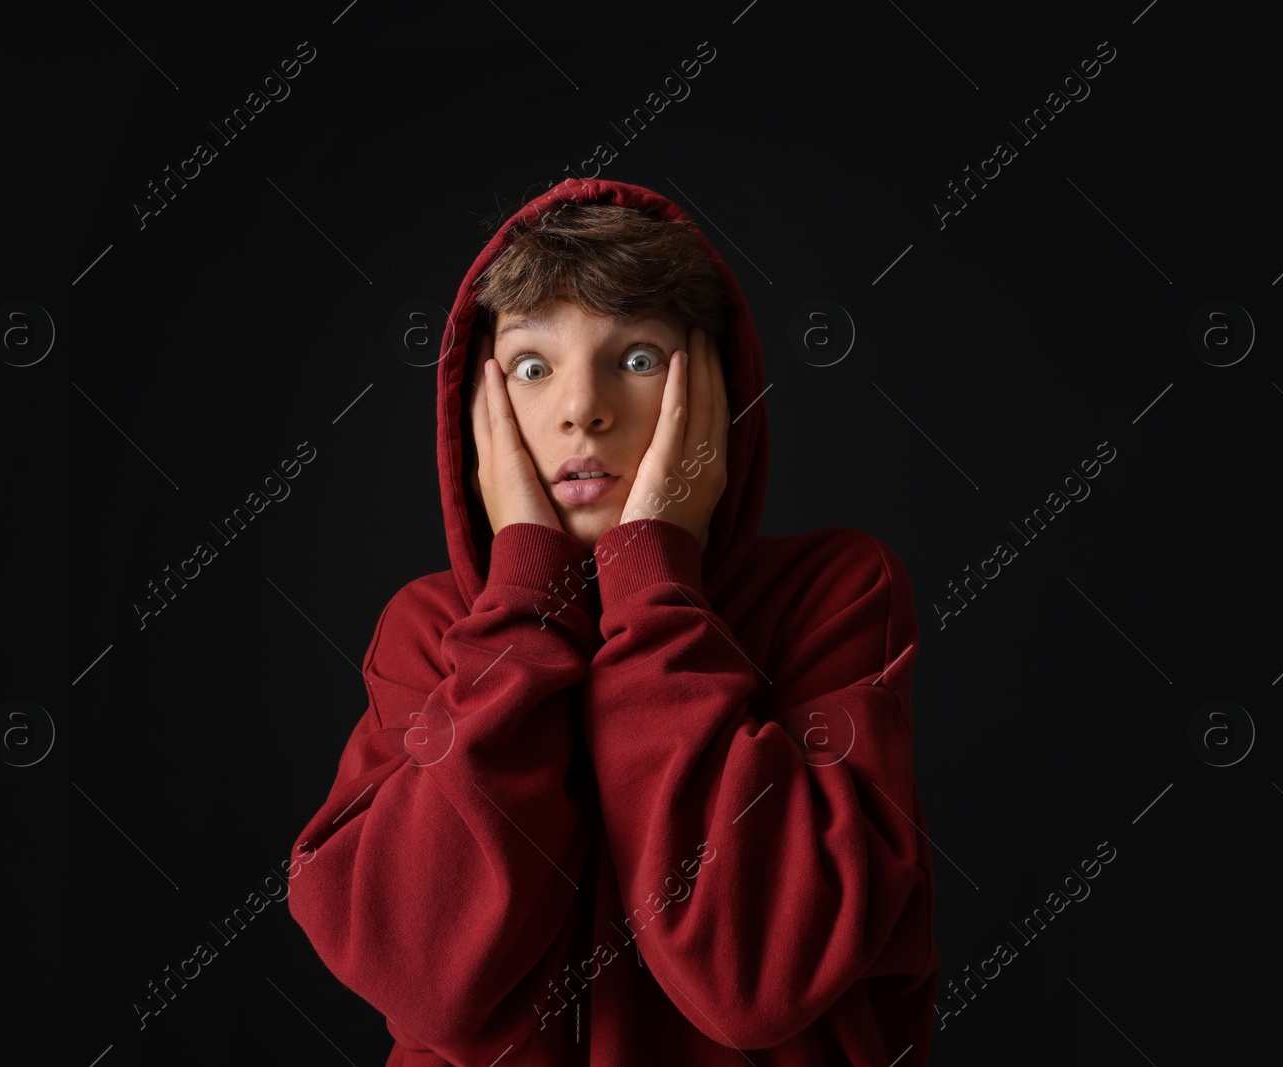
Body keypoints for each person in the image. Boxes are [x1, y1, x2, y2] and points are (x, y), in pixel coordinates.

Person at [287, 178, 939, 1065]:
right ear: (480, 407)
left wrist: (653, 580)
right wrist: (524, 604)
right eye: (531, 365)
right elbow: (431, 980)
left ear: (712, 386)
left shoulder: (836, 592)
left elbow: (757, 980)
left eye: (636, 358)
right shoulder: (429, 629)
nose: (579, 407)